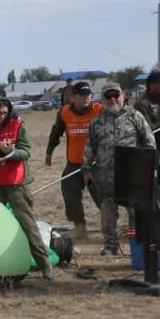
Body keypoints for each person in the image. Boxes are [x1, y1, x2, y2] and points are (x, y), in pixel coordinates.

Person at [0, 97, 54, 280]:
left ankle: (45, 265)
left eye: (4, 112)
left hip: (15, 183)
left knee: (28, 224)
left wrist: (9, 152)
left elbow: (26, 152)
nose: (1, 116)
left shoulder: (18, 126)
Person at [85, 81, 155, 256]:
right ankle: (110, 246)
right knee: (108, 214)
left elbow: (149, 142)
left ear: (122, 96)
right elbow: (89, 147)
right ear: (102, 99)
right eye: (108, 96)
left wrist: (147, 166)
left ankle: (138, 247)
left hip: (132, 175)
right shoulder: (96, 122)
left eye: (116, 95)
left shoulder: (135, 116)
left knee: (136, 212)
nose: (113, 99)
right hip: (106, 176)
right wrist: (86, 170)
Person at [44, 80, 103, 240]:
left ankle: (109, 226)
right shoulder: (65, 112)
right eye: (82, 95)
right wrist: (49, 152)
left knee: (102, 196)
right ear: (73, 97)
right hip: (74, 163)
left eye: (88, 94)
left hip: (96, 164)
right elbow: (56, 132)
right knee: (69, 191)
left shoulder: (99, 110)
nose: (86, 98)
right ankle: (79, 226)